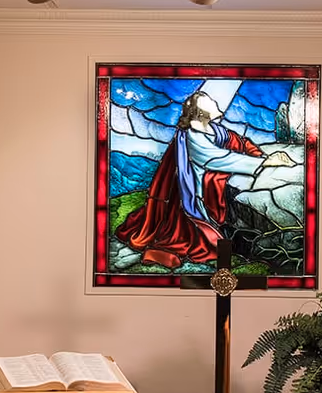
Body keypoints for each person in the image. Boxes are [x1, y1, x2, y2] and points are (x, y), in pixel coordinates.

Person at [116, 90, 293, 269]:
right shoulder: (194, 136)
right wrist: (264, 162)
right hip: (196, 190)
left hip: (206, 180)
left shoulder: (215, 130)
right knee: (192, 237)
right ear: (200, 113)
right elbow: (219, 158)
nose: (215, 104)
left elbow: (238, 141)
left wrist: (257, 153)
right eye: (210, 103)